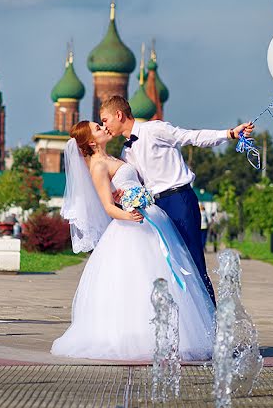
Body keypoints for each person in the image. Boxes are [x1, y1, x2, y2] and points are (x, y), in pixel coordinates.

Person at [50, 121, 215, 361]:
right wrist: (128, 213)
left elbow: (123, 188)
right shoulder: (98, 166)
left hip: (152, 218)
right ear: (92, 142)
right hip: (132, 225)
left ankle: (174, 333)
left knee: (161, 276)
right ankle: (139, 336)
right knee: (138, 279)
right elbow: (107, 206)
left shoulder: (118, 156)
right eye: (98, 128)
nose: (103, 128)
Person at [99, 95, 253, 304]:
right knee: (168, 265)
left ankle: (211, 320)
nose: (104, 125)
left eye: (105, 120)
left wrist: (230, 133)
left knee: (193, 262)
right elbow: (136, 183)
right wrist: (123, 194)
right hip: (155, 208)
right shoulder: (126, 151)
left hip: (179, 200)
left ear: (119, 114)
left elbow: (191, 137)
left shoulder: (154, 129)